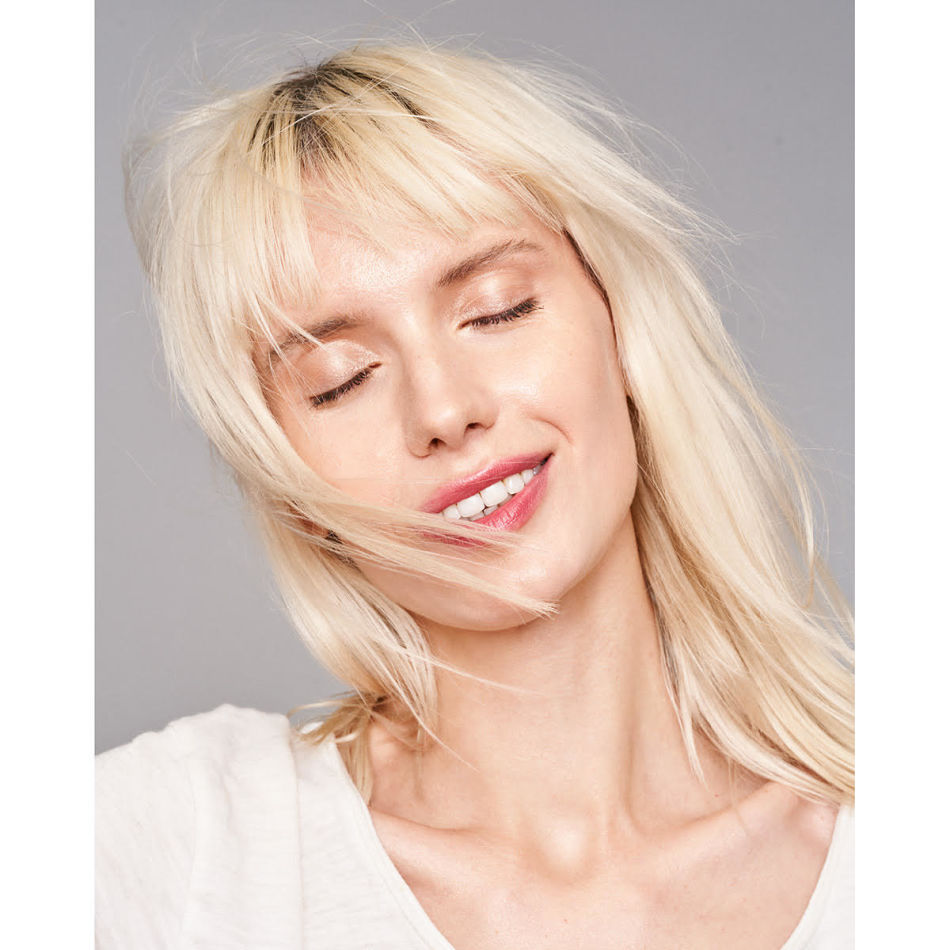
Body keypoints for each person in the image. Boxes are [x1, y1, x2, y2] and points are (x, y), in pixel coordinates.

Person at [97, 42, 854, 949]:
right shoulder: (171, 851)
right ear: (287, 486)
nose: (445, 411)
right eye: (342, 379)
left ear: (621, 324)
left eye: (497, 308)